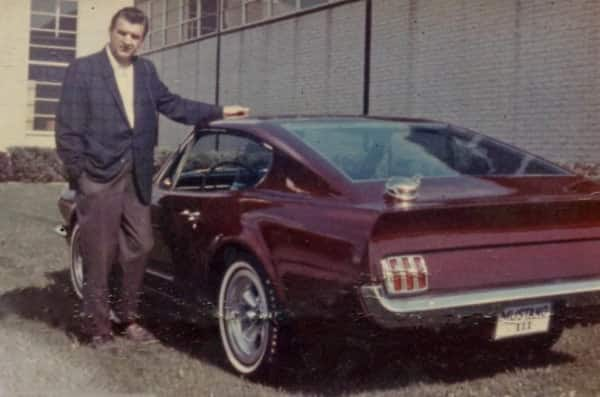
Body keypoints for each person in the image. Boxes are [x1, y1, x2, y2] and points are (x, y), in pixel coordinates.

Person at [55, 6, 249, 348]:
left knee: (141, 244)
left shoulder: (146, 72)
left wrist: (218, 112)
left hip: (137, 176)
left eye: (135, 36)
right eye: (122, 33)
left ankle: (126, 316)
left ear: (142, 40)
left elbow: (173, 105)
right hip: (98, 176)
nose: (127, 41)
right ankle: (98, 328)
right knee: (98, 252)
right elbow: (67, 131)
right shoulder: (83, 70)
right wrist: (81, 176)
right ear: (111, 31)